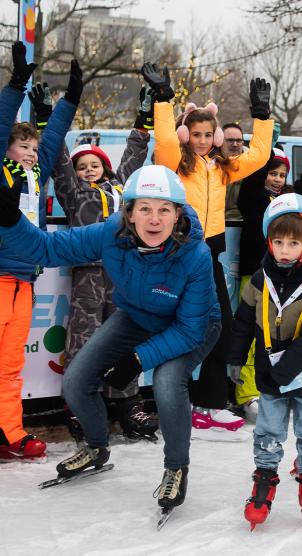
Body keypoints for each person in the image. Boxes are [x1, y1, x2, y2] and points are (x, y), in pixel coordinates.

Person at [0, 165, 221, 509]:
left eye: (164, 210)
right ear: (129, 212)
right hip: (137, 315)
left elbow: (190, 329)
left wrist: (136, 360)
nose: (154, 220)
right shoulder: (111, 234)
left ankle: (176, 468)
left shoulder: (195, 255)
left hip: (192, 325)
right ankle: (96, 446)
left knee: (166, 382)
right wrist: (11, 220)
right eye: (144, 208)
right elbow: (47, 249)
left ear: (177, 214)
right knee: (75, 381)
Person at [144, 62, 274, 434]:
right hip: (174, 255)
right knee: (176, 330)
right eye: (196, 134)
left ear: (216, 137)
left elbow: (259, 157)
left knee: (222, 326)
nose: (201, 141)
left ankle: (210, 401)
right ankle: (169, 401)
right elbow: (166, 140)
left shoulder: (221, 168)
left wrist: (261, 117)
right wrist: (164, 100)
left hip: (207, 256)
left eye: (207, 135)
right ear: (188, 134)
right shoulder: (174, 163)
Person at [28, 83, 158, 442]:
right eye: (81, 166)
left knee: (123, 342)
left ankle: (127, 404)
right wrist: (45, 120)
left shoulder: (122, 188)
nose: (88, 170)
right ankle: (81, 408)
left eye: (94, 164)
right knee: (83, 342)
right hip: (88, 276)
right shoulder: (74, 193)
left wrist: (143, 119)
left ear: (105, 166)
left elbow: (135, 154)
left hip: (123, 276)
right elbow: (56, 160)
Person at [228, 193, 302, 531]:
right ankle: (264, 481)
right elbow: (244, 322)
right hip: (271, 377)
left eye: (293, 242)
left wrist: (284, 371)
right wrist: (234, 356)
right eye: (278, 242)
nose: (285, 250)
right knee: (269, 431)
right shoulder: (260, 279)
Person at [0, 44, 80, 461]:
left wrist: (70, 101)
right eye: (23, 147)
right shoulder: (2, 172)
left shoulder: (36, 177)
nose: (32, 154)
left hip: (24, 281)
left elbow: (52, 142)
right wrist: (14, 87)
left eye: (33, 150)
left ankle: (10, 431)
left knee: (12, 365)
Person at [222, 123, 247, 221]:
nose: (235, 144)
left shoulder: (252, 167)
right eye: (230, 140)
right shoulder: (209, 164)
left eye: (239, 140)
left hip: (238, 225)